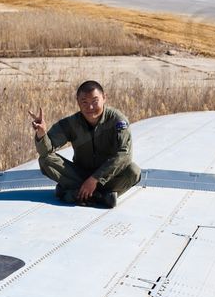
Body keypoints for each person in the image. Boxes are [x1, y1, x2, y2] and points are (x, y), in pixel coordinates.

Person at [27, 80, 140, 209]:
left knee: (133, 171)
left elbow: (124, 154)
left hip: (108, 178)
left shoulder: (117, 120)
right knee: (45, 160)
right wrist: (41, 134)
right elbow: (45, 152)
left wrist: (95, 179)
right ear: (78, 102)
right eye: (84, 102)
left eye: (95, 101)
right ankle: (101, 197)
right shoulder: (71, 123)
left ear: (104, 98)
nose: (90, 107)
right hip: (80, 175)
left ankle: (72, 193)